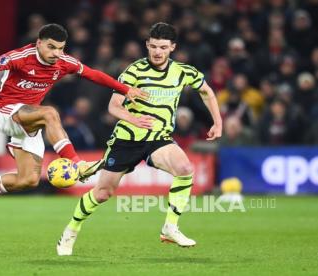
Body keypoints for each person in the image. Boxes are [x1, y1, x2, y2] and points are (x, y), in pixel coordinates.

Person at [56, 22, 222, 255]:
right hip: (127, 139)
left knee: (185, 168)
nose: (157, 52)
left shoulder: (183, 72)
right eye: (153, 46)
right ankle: (71, 230)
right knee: (103, 193)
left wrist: (218, 121)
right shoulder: (134, 71)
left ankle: (170, 227)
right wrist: (132, 119)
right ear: (147, 45)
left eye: (163, 47)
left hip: (158, 138)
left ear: (172, 47)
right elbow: (113, 106)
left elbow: (206, 91)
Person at [0, 23, 147, 214]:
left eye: (60, 48)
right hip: (5, 112)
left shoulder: (64, 62)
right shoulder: (22, 56)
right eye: (51, 47)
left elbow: (93, 74)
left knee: (28, 180)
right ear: (39, 43)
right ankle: (78, 164)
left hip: (29, 120)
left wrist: (125, 89)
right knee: (50, 113)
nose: (56, 53)